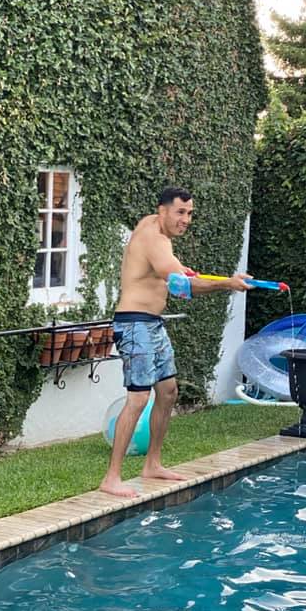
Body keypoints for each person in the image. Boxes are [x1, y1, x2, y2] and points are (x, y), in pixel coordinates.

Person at [99, 186, 252, 498]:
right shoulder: (154, 239)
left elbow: (167, 267)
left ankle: (152, 464)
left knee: (168, 392)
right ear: (162, 211)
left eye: (190, 213)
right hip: (134, 325)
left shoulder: (152, 227)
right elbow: (183, 288)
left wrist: (181, 269)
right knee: (138, 399)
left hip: (152, 324)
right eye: (180, 212)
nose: (186, 219)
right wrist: (228, 283)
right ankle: (112, 477)